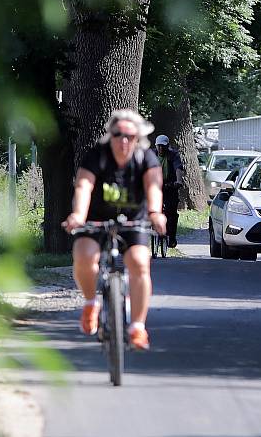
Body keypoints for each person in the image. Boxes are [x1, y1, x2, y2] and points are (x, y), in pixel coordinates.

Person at [62, 109, 167, 351]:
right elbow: (84, 186)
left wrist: (155, 213)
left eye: (129, 136)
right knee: (85, 257)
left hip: (134, 220)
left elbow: (153, 186)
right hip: (96, 218)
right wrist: (78, 215)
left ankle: (137, 327)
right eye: (118, 134)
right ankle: (90, 303)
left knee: (140, 262)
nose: (124, 140)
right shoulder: (97, 156)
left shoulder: (145, 158)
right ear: (110, 135)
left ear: (138, 138)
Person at [154, 135, 184, 248]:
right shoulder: (151, 154)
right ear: (156, 146)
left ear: (167, 146)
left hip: (169, 185)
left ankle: (171, 237)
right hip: (155, 185)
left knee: (171, 213)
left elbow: (178, 168)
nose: (161, 149)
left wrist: (178, 181)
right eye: (159, 146)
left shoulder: (173, 155)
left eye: (163, 146)